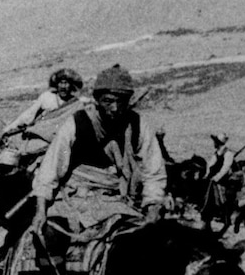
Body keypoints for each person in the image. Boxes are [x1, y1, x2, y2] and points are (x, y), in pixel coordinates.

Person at [31, 63, 167, 236]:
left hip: (119, 200)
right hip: (76, 199)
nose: (115, 108)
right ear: (97, 99)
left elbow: (154, 170)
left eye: (121, 102)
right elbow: (51, 169)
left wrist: (153, 207)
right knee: (51, 236)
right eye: (108, 101)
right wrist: (40, 210)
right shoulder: (77, 123)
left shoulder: (138, 125)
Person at [3, 68, 83, 134]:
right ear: (56, 84)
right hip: (42, 133)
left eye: (66, 83)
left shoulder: (75, 103)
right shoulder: (47, 97)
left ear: (72, 85)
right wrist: (9, 128)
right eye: (60, 83)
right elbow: (28, 115)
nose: (63, 86)